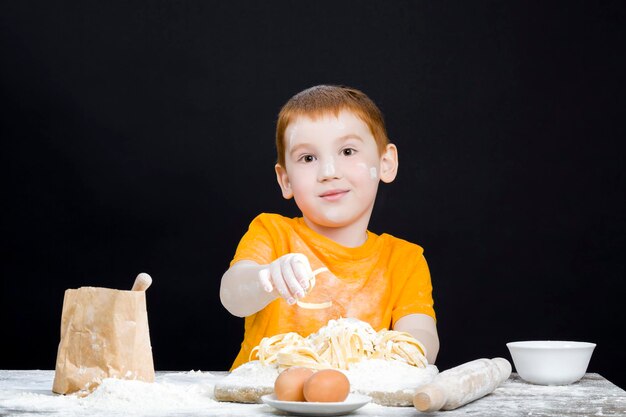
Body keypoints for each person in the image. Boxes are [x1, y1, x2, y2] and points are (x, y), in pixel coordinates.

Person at [220, 84, 439, 370]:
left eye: (348, 151)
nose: (328, 172)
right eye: (308, 158)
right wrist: (267, 278)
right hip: (264, 401)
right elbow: (233, 296)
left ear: (385, 163)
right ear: (286, 180)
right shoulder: (272, 233)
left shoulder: (403, 260)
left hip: (361, 402)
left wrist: (403, 355)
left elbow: (422, 337)